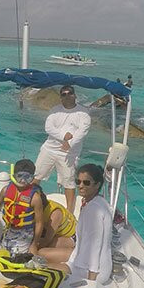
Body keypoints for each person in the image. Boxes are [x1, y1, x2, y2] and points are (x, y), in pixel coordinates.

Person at [50, 163, 112, 282]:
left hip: (91, 270)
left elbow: (95, 245)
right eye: (78, 182)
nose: (81, 186)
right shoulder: (97, 201)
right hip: (82, 261)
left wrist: (91, 281)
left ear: (97, 184)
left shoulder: (94, 210)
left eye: (86, 183)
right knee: (42, 257)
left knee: (39, 268)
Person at [34, 84, 91, 213]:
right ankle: (31, 203)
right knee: (36, 176)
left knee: (69, 183)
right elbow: (48, 128)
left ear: (75, 95)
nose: (67, 96)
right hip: (49, 149)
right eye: (63, 94)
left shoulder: (83, 113)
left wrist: (69, 143)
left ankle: (69, 212)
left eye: (69, 93)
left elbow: (82, 132)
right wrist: (63, 137)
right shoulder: (55, 110)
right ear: (60, 97)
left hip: (69, 153)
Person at [0, 159, 45, 256]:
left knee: (16, 257)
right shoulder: (6, 190)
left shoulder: (35, 198)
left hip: (25, 233)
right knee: (3, 253)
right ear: (13, 176)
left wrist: (34, 244)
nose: (22, 180)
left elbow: (39, 222)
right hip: (8, 229)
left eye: (27, 178)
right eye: (19, 176)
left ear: (32, 179)